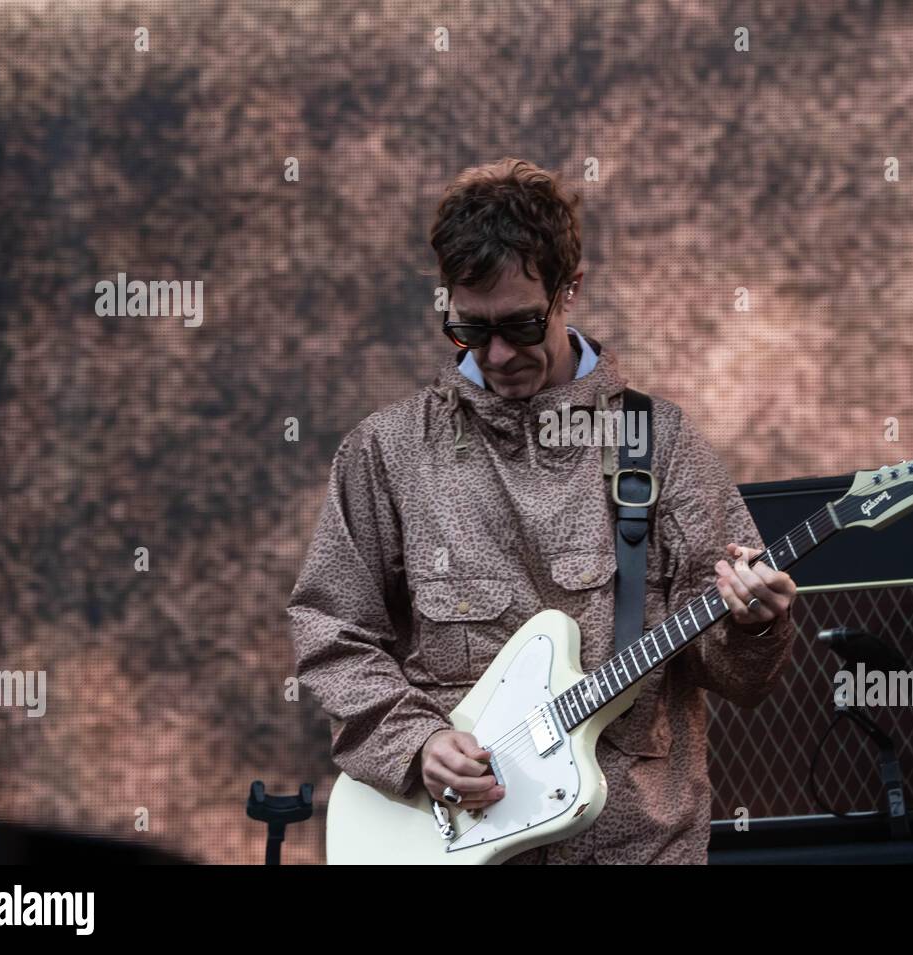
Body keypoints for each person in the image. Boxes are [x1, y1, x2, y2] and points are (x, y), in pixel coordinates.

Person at [288, 158, 797, 864]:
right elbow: (331, 629)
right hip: (454, 843)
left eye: (522, 325)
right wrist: (418, 743)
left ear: (571, 289)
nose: (497, 354)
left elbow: (743, 677)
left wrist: (754, 622)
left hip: (637, 846)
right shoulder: (388, 451)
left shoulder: (660, 442)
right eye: (469, 329)